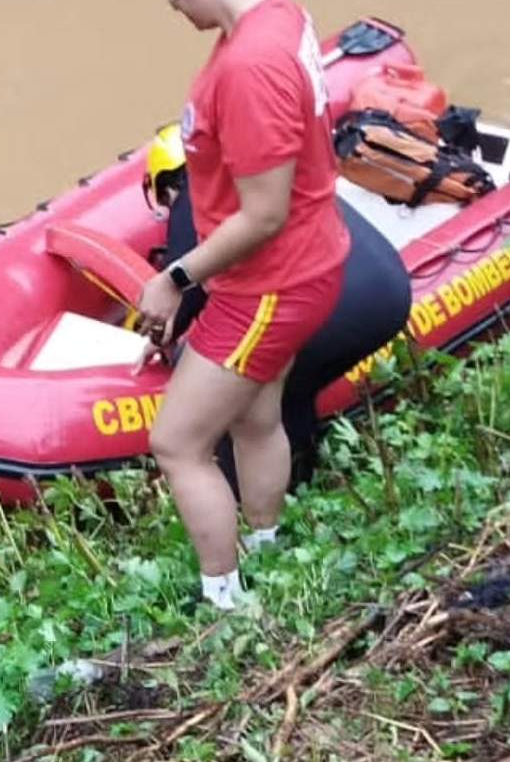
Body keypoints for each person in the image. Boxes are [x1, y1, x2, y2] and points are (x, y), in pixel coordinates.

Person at [134, 0, 351, 612]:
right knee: (256, 417)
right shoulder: (279, 14)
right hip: (301, 263)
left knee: (178, 443)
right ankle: (269, 550)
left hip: (269, 282)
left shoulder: (249, 66)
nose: (168, 1)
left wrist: (175, 277)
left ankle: (226, 605)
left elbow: (263, 213)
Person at [144, 125, 414, 493]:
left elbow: (181, 294)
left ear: (167, 185)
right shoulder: (264, 175)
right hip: (386, 288)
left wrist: (156, 337)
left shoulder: (194, 197)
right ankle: (304, 483)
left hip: (337, 305)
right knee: (294, 387)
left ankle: (250, 504)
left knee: (239, 402)